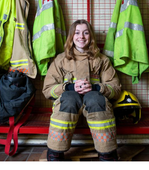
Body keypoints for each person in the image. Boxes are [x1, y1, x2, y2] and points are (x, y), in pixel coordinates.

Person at [43, 20, 122, 161]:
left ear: (91, 36)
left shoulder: (102, 60)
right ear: (71, 36)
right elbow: (48, 89)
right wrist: (68, 87)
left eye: (86, 33)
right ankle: (55, 151)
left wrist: (97, 88)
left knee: (95, 98)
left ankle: (107, 152)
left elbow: (115, 89)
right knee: (69, 98)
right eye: (77, 32)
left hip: (96, 112)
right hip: (68, 112)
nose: (81, 37)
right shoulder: (61, 60)